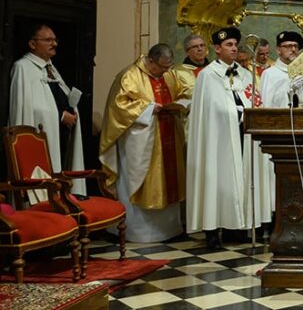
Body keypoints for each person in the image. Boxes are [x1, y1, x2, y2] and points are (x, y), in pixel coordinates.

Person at [186, 26, 269, 248]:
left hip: (244, 137)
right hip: (219, 141)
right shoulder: (207, 76)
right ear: (217, 49)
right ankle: (213, 228)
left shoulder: (244, 73)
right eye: (228, 45)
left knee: (242, 180)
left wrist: (249, 112)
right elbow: (210, 111)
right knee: (218, 180)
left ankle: (239, 226)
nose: (233, 49)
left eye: (235, 45)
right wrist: (234, 113)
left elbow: (255, 101)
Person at [98, 44, 190, 243]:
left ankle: (170, 229)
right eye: (161, 67)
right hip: (139, 141)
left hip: (169, 136)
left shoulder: (168, 74)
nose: (166, 72)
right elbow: (119, 106)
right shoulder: (129, 75)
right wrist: (148, 109)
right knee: (140, 181)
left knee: (170, 179)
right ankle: (138, 232)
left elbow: (182, 93)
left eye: (168, 67)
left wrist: (181, 104)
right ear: (150, 60)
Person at [8, 24, 85, 194]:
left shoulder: (51, 68)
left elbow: (57, 97)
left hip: (60, 136)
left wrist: (72, 112)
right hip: (39, 136)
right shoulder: (23, 67)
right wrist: (60, 116)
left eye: (55, 40)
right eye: (48, 40)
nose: (54, 43)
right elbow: (28, 108)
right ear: (33, 44)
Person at [260, 31, 303, 109]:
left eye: (296, 46)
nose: (293, 49)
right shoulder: (270, 74)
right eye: (288, 46)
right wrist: (290, 90)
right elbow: (265, 105)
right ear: (278, 50)